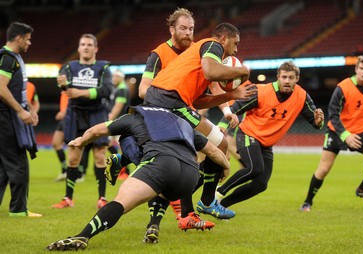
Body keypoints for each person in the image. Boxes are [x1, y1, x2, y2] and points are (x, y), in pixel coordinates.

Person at [46, 105, 230, 251]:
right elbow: (214, 151)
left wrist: (81, 141)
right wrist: (226, 167)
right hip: (189, 177)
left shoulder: (133, 117)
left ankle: (83, 236)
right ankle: (153, 224)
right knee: (163, 186)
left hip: (160, 164)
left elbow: (96, 131)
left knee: (120, 202)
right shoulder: (182, 124)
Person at [144, 22, 253, 220]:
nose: (236, 49)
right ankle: (205, 201)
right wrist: (242, 72)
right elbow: (212, 72)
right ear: (223, 38)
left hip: (172, 101)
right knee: (218, 145)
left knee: (196, 154)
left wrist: (232, 94)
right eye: (235, 43)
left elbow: (198, 100)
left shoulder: (200, 60)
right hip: (171, 102)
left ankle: (186, 207)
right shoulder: (213, 45)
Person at [215, 61, 324, 211]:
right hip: (248, 134)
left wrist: (318, 121)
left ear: (297, 79)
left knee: (261, 184)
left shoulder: (302, 96)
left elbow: (315, 121)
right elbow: (237, 106)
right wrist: (223, 124)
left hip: (266, 144)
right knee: (255, 168)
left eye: (291, 77)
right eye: (284, 77)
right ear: (278, 77)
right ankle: (219, 192)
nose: (287, 81)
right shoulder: (261, 91)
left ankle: (221, 206)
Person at [300, 55, 363, 212]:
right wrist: (345, 135)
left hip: (360, 131)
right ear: (356, 69)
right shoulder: (343, 87)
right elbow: (333, 115)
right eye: (361, 68)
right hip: (337, 132)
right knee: (324, 169)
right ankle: (307, 202)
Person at [51, 33, 113, 209]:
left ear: (96, 48)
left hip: (98, 114)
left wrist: (82, 93)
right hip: (75, 115)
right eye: (83, 44)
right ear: (78, 48)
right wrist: (62, 85)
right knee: (73, 158)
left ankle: (102, 198)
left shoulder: (103, 68)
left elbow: (106, 90)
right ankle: (68, 199)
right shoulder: (69, 68)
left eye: (89, 44)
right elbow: (64, 87)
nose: (86, 47)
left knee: (100, 156)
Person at [0, 22, 41, 217]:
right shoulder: (7, 59)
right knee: (18, 162)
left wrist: (30, 108)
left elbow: (20, 91)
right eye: (28, 38)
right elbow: (1, 88)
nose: (30, 42)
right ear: (18, 38)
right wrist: (19, 111)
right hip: (5, 118)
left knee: (3, 166)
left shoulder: (14, 58)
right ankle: (18, 210)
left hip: (7, 117)